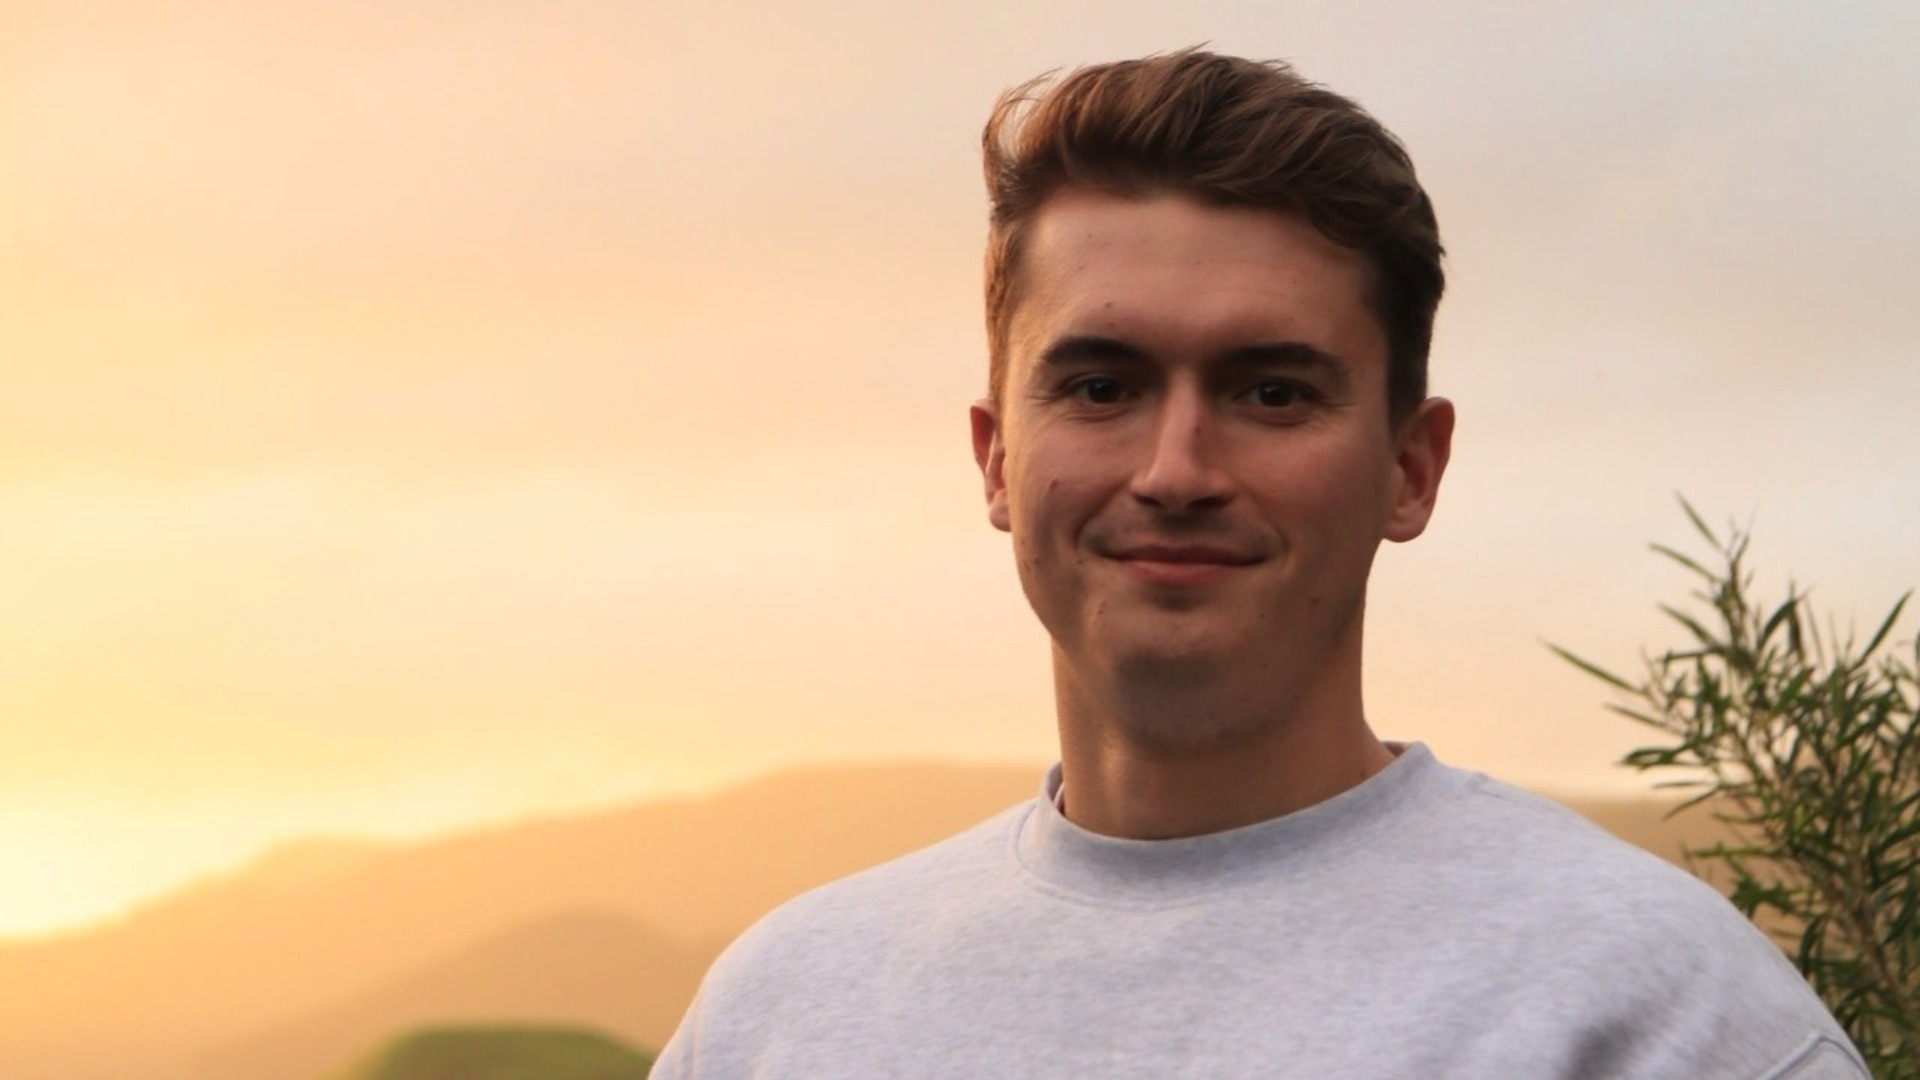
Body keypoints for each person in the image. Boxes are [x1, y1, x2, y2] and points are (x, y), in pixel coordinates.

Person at [648, 49, 1866, 1079]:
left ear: (1411, 468)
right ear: (998, 459)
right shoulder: (776, 1022)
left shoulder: (1660, 1017)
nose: (1175, 469)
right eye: (1102, 387)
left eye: (1271, 392)